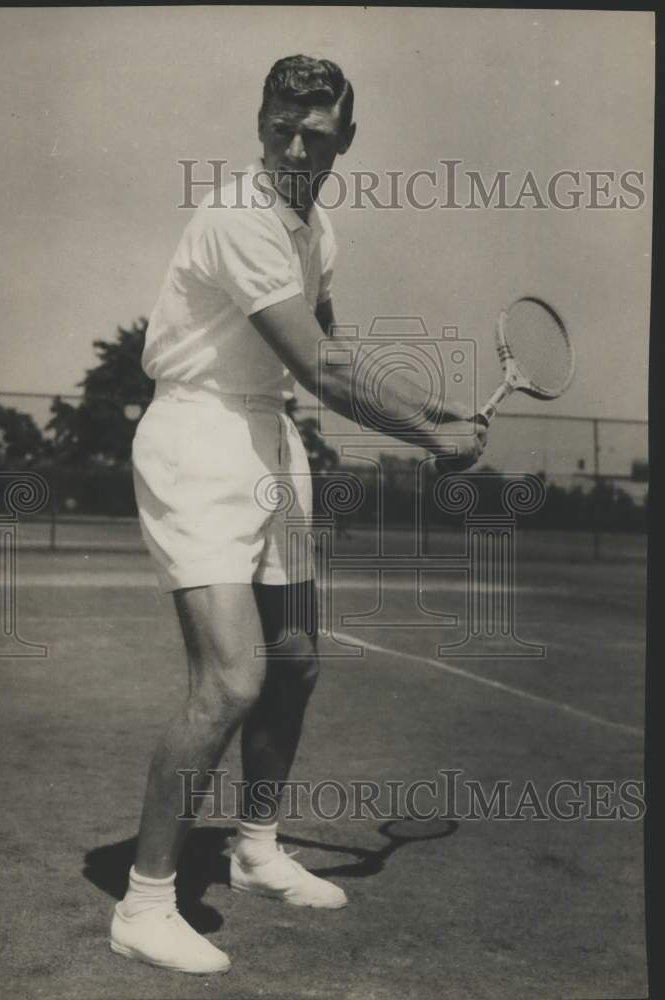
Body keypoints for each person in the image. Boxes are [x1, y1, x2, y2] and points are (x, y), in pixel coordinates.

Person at [111, 54, 486, 975]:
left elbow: (329, 349)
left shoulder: (316, 229)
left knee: (295, 665)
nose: (291, 143)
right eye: (279, 124)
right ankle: (145, 902)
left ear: (343, 141)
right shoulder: (239, 215)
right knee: (231, 679)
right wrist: (431, 438)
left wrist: (435, 415)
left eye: (313, 133)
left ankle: (256, 848)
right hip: (198, 437)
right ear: (260, 120)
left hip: (267, 443)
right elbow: (324, 371)